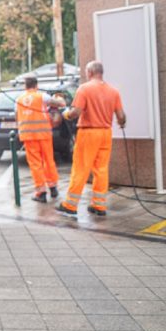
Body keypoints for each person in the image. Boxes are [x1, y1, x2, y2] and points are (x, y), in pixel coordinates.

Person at [57, 61, 127, 216]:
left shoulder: (84, 89)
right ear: (101, 73)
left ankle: (70, 205)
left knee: (80, 168)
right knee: (101, 170)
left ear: (89, 72)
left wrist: (65, 113)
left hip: (89, 133)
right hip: (106, 133)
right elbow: (121, 116)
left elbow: (75, 112)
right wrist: (122, 124)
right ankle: (99, 205)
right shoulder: (113, 91)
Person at [15, 76, 66, 202]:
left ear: (25, 86)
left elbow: (17, 118)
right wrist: (58, 97)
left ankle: (41, 192)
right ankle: (53, 188)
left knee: (35, 164)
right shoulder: (42, 96)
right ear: (36, 85)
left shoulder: (18, 100)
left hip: (28, 136)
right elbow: (61, 104)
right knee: (48, 160)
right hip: (44, 135)